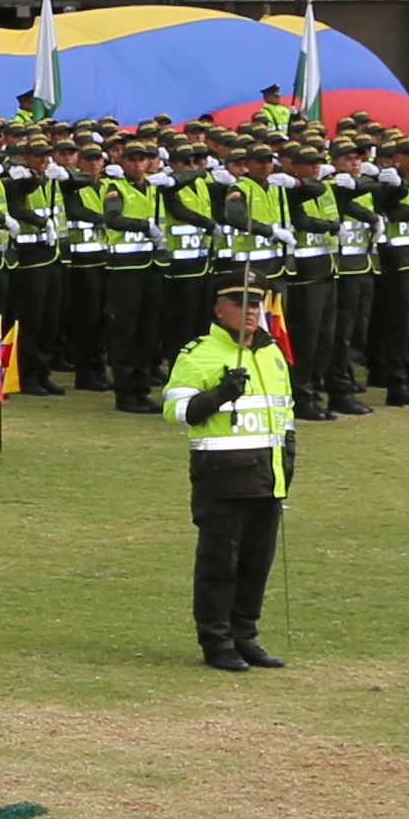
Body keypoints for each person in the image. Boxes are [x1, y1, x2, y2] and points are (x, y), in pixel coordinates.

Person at [159, 275, 296, 673]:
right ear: (219, 310)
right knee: (219, 567)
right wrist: (220, 394)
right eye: (240, 303)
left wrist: (287, 464)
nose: (250, 311)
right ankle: (217, 642)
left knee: (255, 566)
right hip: (222, 479)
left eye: (255, 304)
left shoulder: (271, 352)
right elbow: (176, 411)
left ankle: (245, 637)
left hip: (268, 477)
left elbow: (284, 415)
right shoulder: (198, 354)